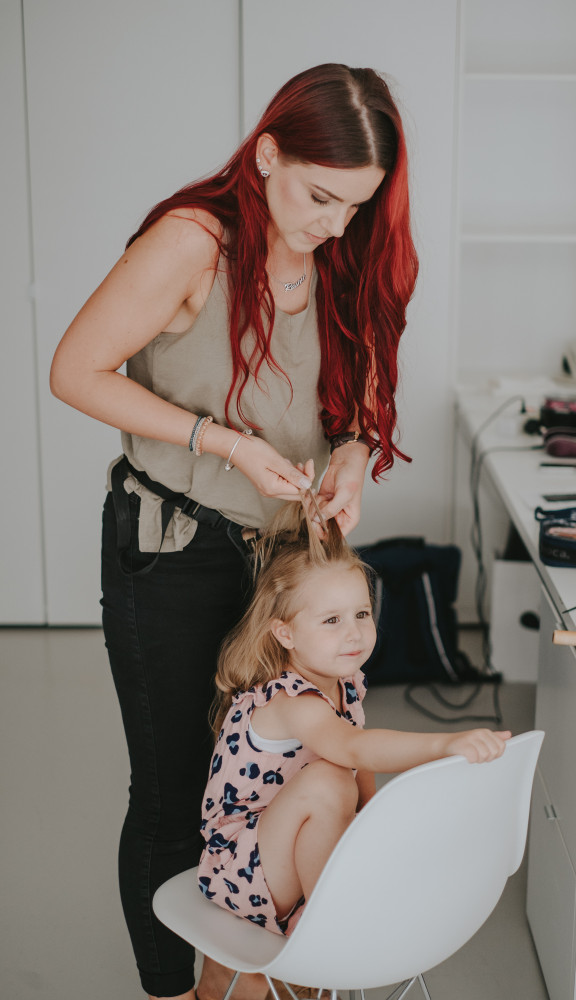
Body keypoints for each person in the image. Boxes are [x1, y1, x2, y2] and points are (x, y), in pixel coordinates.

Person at [50, 64, 419, 1000]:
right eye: (320, 196)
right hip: (172, 548)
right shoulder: (192, 244)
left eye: (357, 206)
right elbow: (75, 370)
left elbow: (362, 387)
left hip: (281, 563)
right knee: (177, 788)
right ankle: (177, 988)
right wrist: (223, 443)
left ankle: (258, 967)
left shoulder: (339, 249)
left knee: (286, 770)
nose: (336, 225)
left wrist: (352, 450)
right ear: (266, 155)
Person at [199, 505, 512, 937]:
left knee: (347, 789)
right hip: (242, 869)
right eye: (331, 620)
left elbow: (360, 766)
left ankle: (339, 904)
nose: (353, 633)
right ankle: (330, 929)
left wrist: (368, 828)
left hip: (286, 852)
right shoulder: (291, 701)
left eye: (362, 614)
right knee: (329, 779)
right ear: (285, 633)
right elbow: (353, 750)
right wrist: (445, 744)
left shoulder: (344, 684)